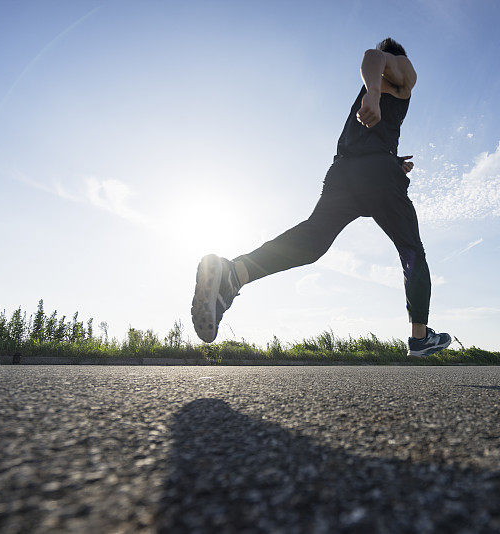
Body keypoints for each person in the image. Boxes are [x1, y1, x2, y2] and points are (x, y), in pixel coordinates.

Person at [191, 37, 452, 357]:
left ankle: (235, 273)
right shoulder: (401, 69)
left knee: (312, 242)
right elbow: (373, 55)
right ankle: (420, 337)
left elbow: (371, 116)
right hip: (379, 175)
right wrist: (372, 93)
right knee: (411, 250)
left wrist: (394, 159)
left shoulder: (381, 86)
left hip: (345, 172)